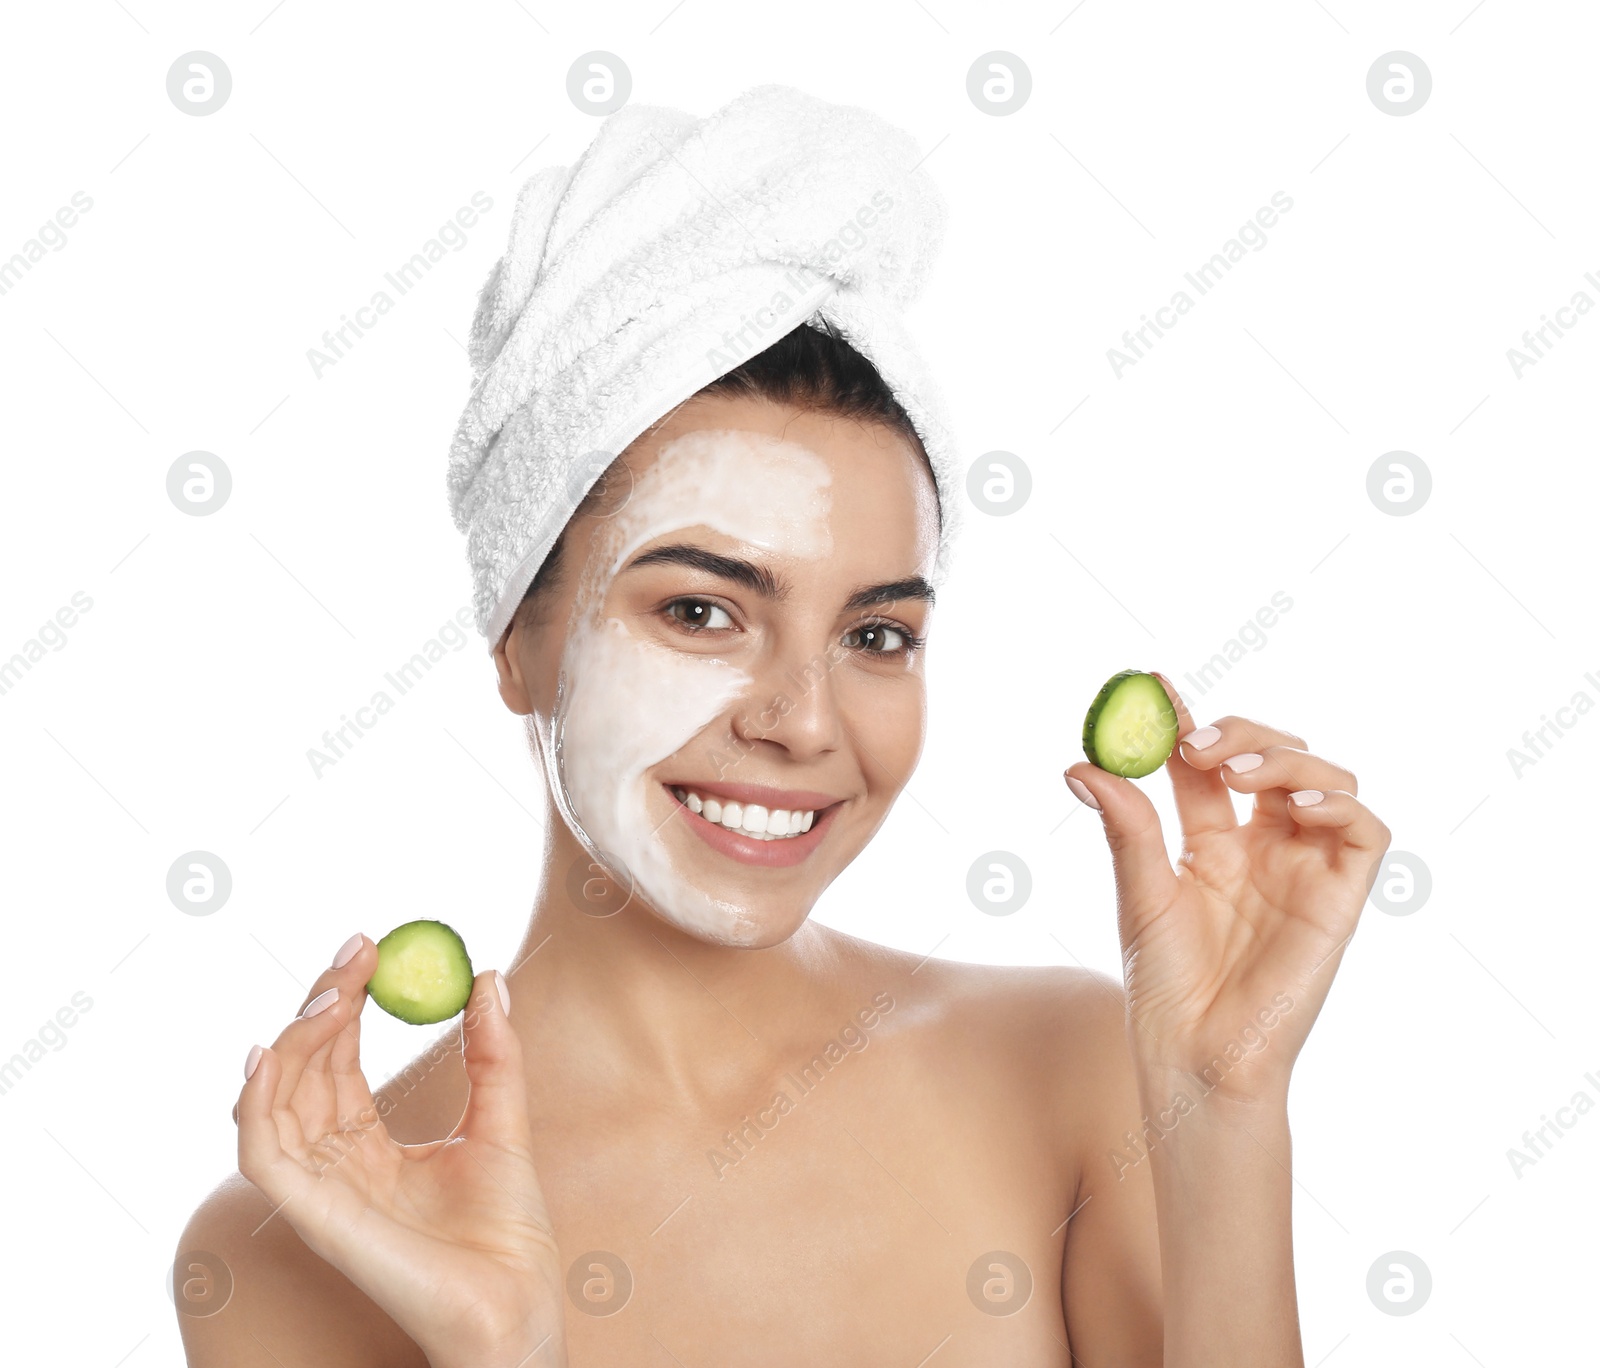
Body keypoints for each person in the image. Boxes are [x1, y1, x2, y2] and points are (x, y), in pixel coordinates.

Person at [176, 91, 1390, 1368]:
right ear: (520, 636)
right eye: (703, 611)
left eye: (875, 636)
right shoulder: (298, 1246)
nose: (802, 721)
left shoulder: (1076, 1072)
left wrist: (1222, 1108)